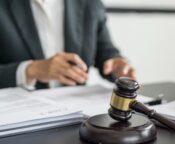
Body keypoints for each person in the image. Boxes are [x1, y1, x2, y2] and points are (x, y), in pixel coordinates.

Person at [0, 0, 136, 90]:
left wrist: (116, 65)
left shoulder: (89, 2)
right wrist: (29, 70)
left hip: (76, 115)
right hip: (17, 120)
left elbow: (105, 51)